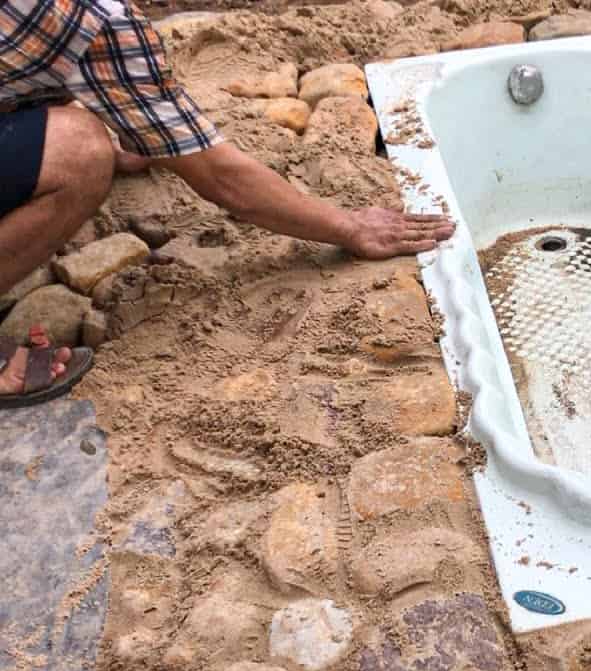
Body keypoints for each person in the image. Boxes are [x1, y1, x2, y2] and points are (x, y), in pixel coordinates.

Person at [0, 0, 454, 408]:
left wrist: (139, 121)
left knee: (74, 128)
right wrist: (348, 227)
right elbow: (221, 178)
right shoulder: (97, 19)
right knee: (81, 151)